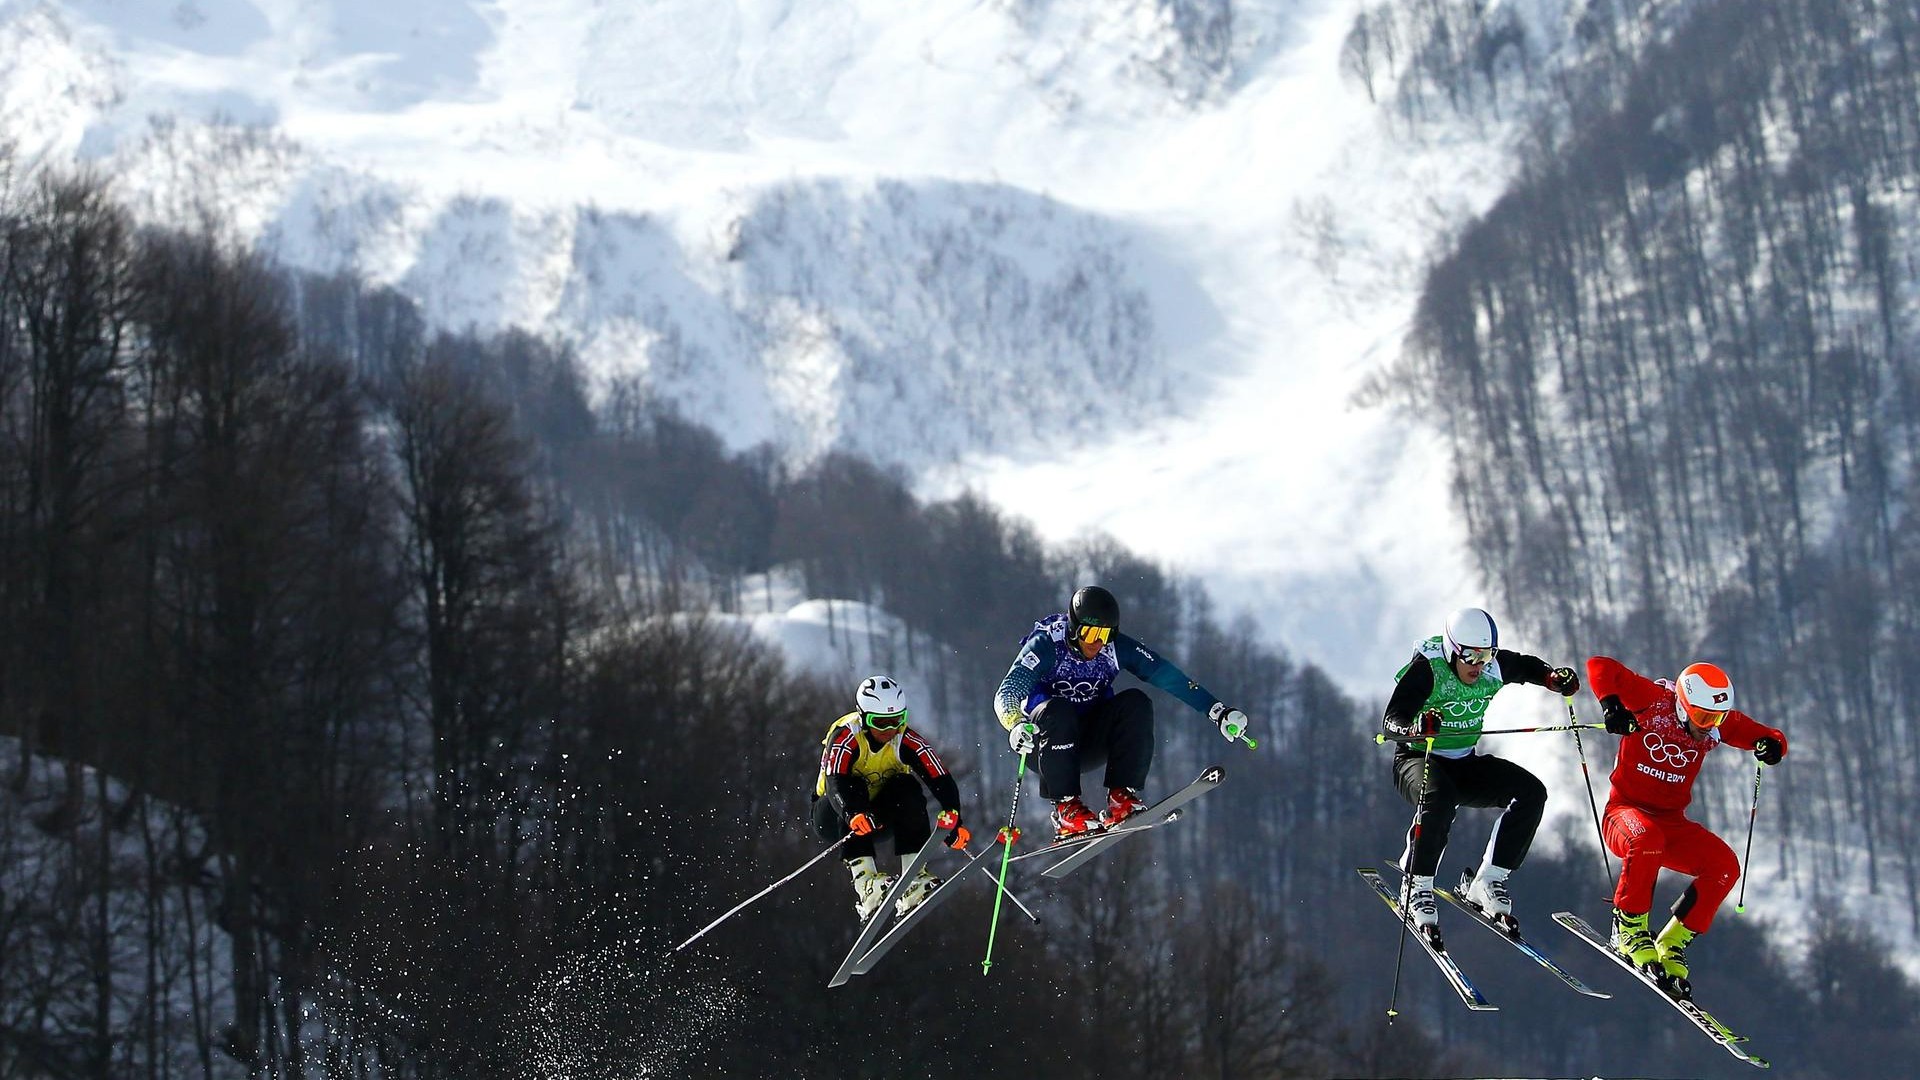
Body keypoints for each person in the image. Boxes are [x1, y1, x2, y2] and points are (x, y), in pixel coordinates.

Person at [1586, 656, 1787, 1000]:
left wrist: (1772, 746)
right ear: (1682, 705)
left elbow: (1767, 735)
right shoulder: (1653, 700)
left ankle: (1672, 943)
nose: (1710, 726)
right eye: (1704, 717)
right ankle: (1628, 928)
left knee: (1724, 866)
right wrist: (1612, 706)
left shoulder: (1715, 723)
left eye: (1717, 718)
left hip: (1671, 824)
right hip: (1624, 815)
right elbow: (1600, 666)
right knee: (1646, 838)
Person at [1381, 607, 1582, 943]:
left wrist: (1552, 678)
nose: (1478, 665)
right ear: (1451, 650)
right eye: (1471, 657)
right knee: (1439, 797)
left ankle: (1488, 881)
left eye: (1486, 656)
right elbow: (1391, 721)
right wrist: (1416, 729)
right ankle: (1416, 885)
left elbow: (1526, 666)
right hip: (1417, 759)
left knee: (1532, 793)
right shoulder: (1428, 669)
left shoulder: (1492, 666)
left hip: (1464, 764)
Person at [993, 585, 1251, 840]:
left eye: (1105, 635)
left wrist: (1216, 710)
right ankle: (1065, 809)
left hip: (1089, 743)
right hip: (1044, 745)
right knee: (1059, 709)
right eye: (1090, 633)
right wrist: (1015, 723)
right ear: (1073, 627)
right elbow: (1007, 691)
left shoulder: (1115, 647)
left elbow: (1168, 676)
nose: (1097, 642)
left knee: (1136, 702)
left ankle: (1121, 799)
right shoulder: (1047, 644)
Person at [813, 675, 971, 921]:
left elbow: (939, 777)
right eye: (880, 722)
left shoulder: (904, 738)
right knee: (855, 784)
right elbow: (835, 783)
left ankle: (913, 878)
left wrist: (954, 818)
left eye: (896, 721)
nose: (889, 730)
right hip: (834, 816)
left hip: (878, 820)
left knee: (907, 786)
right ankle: (866, 884)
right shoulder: (847, 736)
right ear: (863, 718)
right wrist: (852, 813)